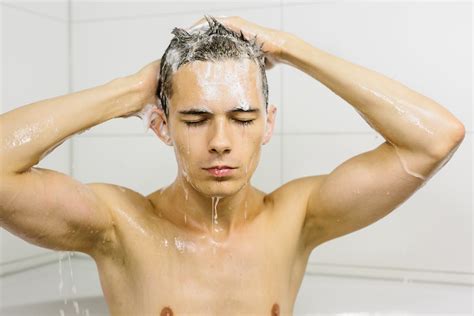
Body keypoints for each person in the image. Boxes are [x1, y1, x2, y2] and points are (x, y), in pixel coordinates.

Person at [0, 15, 465, 316]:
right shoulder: (122, 226)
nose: (220, 142)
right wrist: (129, 91)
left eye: (243, 119)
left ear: (268, 124)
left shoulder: (297, 218)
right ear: (162, 127)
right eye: (196, 119)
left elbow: (436, 138)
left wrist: (290, 49)